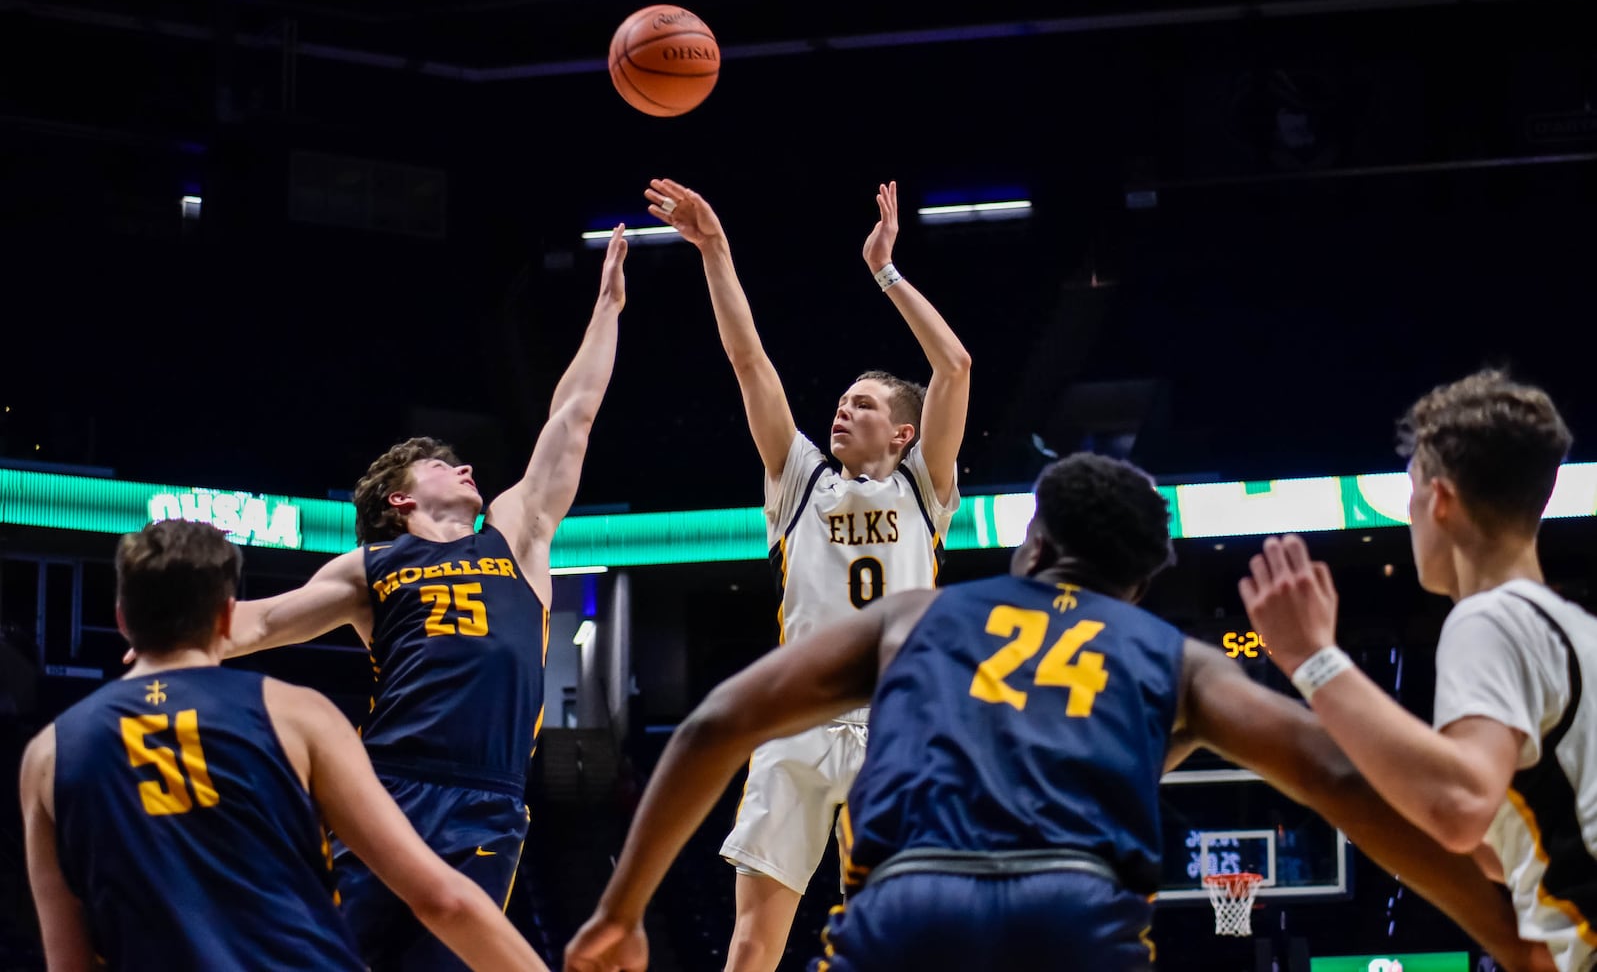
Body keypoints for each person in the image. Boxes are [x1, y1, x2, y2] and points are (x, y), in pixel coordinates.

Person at [564, 452, 1554, 972]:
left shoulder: (914, 616)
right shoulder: (1174, 656)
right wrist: (1509, 936)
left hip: (908, 904)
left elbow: (710, 728)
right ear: (1145, 577)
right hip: (1074, 914)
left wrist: (619, 911)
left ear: (1031, 539)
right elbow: (1354, 791)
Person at [122, 226, 628, 968]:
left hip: (485, 798)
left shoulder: (515, 534)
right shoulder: (370, 566)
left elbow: (573, 414)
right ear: (399, 498)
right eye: (440, 462)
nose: (461, 468)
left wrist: (607, 306)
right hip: (385, 786)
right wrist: (163, 644)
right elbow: (260, 622)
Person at [643, 177, 971, 970]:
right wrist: (714, 250)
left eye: (860, 405)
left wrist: (886, 272)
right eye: (840, 401)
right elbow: (747, 358)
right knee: (754, 942)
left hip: (896, 725)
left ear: (901, 432)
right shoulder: (799, 480)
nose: (840, 410)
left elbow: (954, 365)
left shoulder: (923, 487)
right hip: (793, 721)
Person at [20, 519, 548, 971]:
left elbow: (68, 960)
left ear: (121, 619)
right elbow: (442, 899)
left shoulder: (48, 753)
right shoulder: (296, 715)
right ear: (227, 617)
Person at [1240, 369, 1593, 972]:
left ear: (1440, 500)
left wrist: (1313, 660)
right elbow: (1493, 850)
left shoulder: (1489, 618)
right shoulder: (1576, 628)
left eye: (1410, 495)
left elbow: (1459, 805)